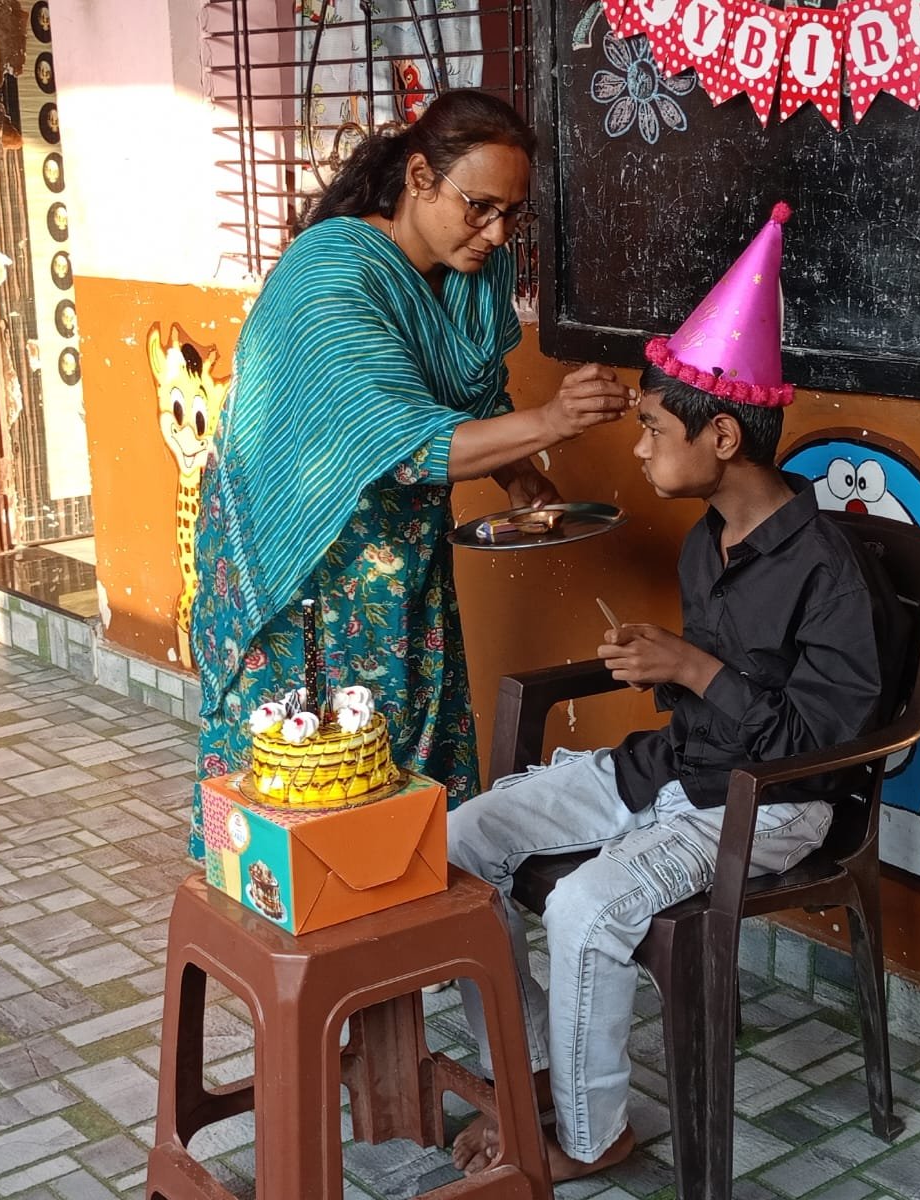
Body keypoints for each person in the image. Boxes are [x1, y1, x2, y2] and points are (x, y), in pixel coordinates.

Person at [446, 204, 907, 1181]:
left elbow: (822, 738)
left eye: (654, 430)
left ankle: (593, 1133)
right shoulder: (709, 541)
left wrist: (694, 670)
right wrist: (663, 666)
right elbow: (708, 691)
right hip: (673, 769)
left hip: (770, 805)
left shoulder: (827, 571)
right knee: (457, 842)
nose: (640, 448)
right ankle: (533, 1073)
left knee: (584, 909)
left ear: (723, 435)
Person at [187, 90, 634, 860]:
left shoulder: (471, 275)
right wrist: (552, 423)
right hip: (313, 571)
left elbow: (472, 394)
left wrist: (519, 476)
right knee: (316, 781)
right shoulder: (331, 277)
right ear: (420, 177)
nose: (496, 234)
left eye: (513, 215)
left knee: (410, 766)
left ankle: (407, 918)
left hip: (407, 560)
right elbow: (403, 443)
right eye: (479, 208)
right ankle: (304, 924)